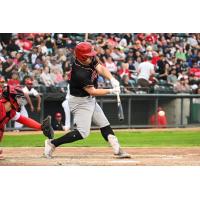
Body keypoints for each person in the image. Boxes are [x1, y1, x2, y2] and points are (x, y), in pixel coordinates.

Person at [44, 42, 131, 159]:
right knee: (82, 133)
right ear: (82, 57)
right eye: (88, 55)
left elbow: (100, 67)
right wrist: (111, 91)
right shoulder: (79, 72)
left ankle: (117, 149)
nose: (92, 57)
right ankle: (52, 143)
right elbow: (93, 91)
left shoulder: (89, 59)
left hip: (89, 99)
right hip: (79, 102)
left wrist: (112, 78)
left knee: (104, 123)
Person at [0, 85, 54, 158]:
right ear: (11, 97)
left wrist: (41, 127)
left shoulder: (10, 111)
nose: (21, 100)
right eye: (18, 97)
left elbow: (24, 120)